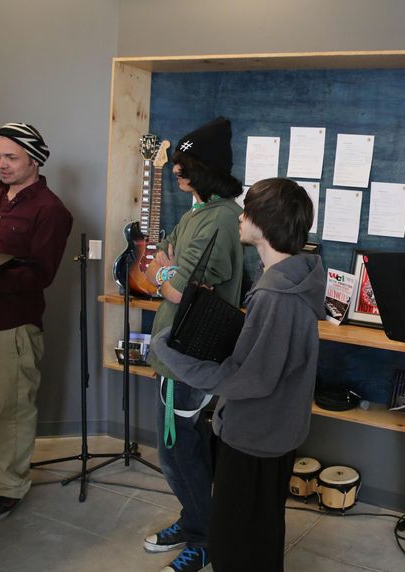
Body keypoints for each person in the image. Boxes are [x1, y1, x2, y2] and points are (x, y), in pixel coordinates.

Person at [151, 177, 326, 571]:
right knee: (262, 534)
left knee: (233, 546)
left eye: (248, 212)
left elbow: (249, 379)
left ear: (264, 224)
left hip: (253, 438)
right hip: (278, 434)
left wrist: (167, 352)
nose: (240, 217)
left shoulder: (273, 295)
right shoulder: (296, 281)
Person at [143, 117, 244, 572]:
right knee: (184, 446)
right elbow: (154, 267)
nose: (177, 173)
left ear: (205, 169)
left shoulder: (220, 219)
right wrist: (165, 272)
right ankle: (194, 519)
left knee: (176, 449)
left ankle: (204, 537)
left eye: (184, 166)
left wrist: (166, 272)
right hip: (176, 353)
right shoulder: (196, 215)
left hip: (193, 358)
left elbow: (176, 287)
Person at [0, 123, 72, 526]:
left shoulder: (51, 210)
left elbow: (40, 275)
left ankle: (9, 488)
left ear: (35, 159)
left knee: (11, 412)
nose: (1, 164)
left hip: (11, 327)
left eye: (11, 157)